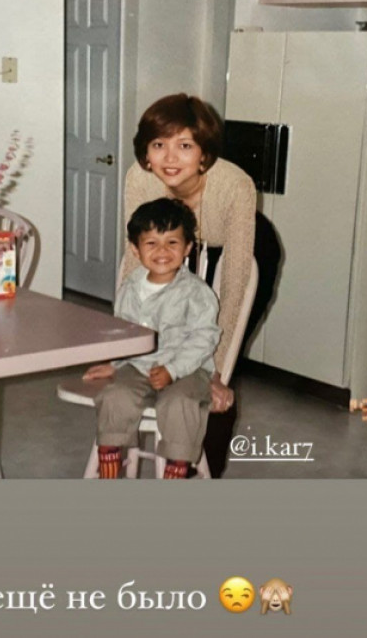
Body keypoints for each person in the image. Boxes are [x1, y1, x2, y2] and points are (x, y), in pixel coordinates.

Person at [121, 93, 264, 477]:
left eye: (184, 145)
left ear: (204, 154)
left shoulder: (235, 186)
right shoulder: (140, 179)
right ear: (145, 152)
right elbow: (134, 262)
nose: (170, 158)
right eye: (159, 145)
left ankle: (199, 470)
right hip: (173, 244)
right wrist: (122, 344)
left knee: (216, 368)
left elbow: (235, 278)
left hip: (240, 248)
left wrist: (216, 368)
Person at [83, 198, 221, 479]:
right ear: (136, 249)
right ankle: (109, 474)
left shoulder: (196, 292)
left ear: (187, 247)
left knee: (179, 404)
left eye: (172, 242)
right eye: (151, 243)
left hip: (187, 368)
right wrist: (117, 364)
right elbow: (123, 331)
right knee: (114, 396)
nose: (162, 251)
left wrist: (173, 370)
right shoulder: (130, 286)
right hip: (138, 365)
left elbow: (204, 338)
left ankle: (176, 470)